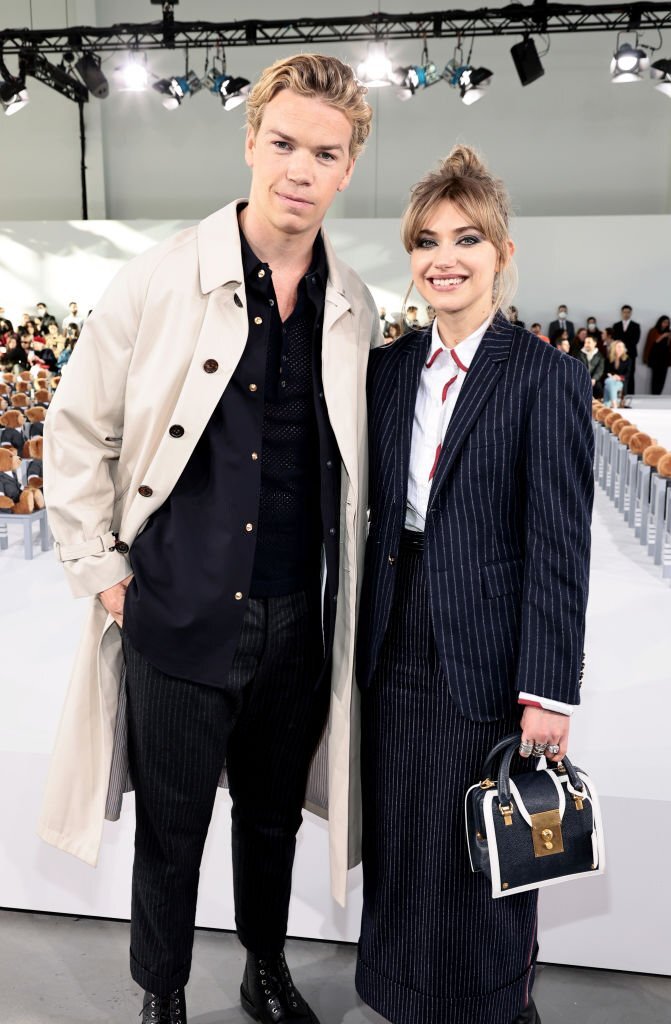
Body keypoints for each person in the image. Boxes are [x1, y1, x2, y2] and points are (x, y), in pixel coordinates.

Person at [40, 53, 378, 1024]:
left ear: (348, 168)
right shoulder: (158, 278)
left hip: (295, 619)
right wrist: (104, 574)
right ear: (250, 143)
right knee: (171, 828)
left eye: (324, 153)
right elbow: (78, 428)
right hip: (176, 610)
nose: (299, 170)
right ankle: (163, 991)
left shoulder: (351, 303)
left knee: (271, 820)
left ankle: (263, 967)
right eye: (283, 144)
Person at [356, 145, 593, 1024]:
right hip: (393, 632)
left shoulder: (545, 375)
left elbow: (559, 545)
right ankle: (402, 999)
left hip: (488, 649)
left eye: (465, 239)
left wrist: (547, 691)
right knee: (401, 833)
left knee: (484, 843)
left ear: (501, 253)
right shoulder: (386, 372)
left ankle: (495, 1005)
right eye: (425, 241)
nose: (443, 258)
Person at [611, 305, 640, 393]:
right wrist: (620, 348)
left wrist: (624, 348)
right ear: (621, 313)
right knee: (617, 372)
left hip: (630, 353)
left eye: (628, 312)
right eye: (624, 312)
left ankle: (630, 392)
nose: (626, 314)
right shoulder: (616, 325)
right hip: (618, 353)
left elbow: (636, 340)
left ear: (631, 313)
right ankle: (617, 392)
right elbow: (615, 338)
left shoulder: (636, 326)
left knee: (630, 373)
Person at [643, 315, 671, 395]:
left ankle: (658, 394)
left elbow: (668, 346)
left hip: (665, 358)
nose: (666, 324)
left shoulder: (669, 332)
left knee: (662, 378)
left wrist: (669, 338)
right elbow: (654, 343)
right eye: (664, 322)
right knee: (655, 378)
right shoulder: (653, 331)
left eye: (667, 323)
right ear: (660, 322)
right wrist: (663, 336)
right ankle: (654, 394)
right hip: (655, 357)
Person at [603, 340, 631, 407]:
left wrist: (619, 377)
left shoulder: (628, 359)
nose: (620, 348)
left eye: (622, 347)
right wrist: (612, 376)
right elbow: (605, 372)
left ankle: (608, 404)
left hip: (620, 381)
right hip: (611, 379)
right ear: (614, 348)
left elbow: (628, 373)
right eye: (618, 346)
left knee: (608, 384)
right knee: (609, 381)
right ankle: (614, 403)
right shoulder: (608, 359)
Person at [577, 333, 605, 397]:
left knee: (598, 387)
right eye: (585, 342)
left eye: (589, 342)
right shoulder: (579, 354)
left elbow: (600, 369)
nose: (586, 344)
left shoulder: (600, 356)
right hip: (582, 378)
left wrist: (594, 378)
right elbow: (578, 368)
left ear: (595, 343)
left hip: (595, 380)